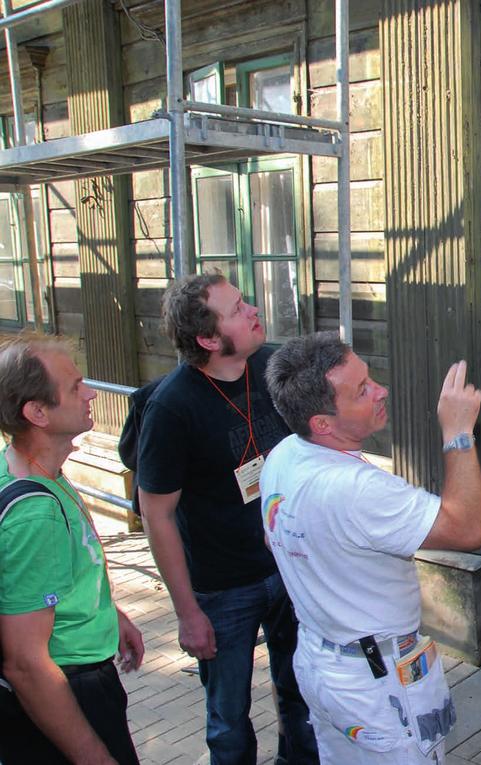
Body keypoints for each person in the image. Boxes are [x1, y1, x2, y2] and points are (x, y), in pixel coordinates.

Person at [260, 331, 481, 764]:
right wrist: (458, 432)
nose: (381, 390)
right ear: (322, 423)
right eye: (363, 390)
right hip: (376, 685)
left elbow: (278, 539)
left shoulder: (285, 455)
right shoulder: (355, 489)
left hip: (321, 661)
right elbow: (467, 529)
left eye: (369, 378)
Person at [136, 274, 317, 765]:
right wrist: (187, 612)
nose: (254, 309)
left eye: (245, 299)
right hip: (222, 590)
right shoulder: (172, 408)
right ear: (209, 340)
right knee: (230, 719)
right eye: (237, 308)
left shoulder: (270, 367)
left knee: (302, 695)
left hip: (288, 567)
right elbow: (157, 515)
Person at [0, 338, 144, 765]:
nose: (92, 393)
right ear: (37, 412)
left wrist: (108, 613)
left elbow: (59, 575)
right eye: (76, 386)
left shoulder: (34, 467)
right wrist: (92, 755)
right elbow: (25, 662)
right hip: (67, 690)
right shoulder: (35, 514)